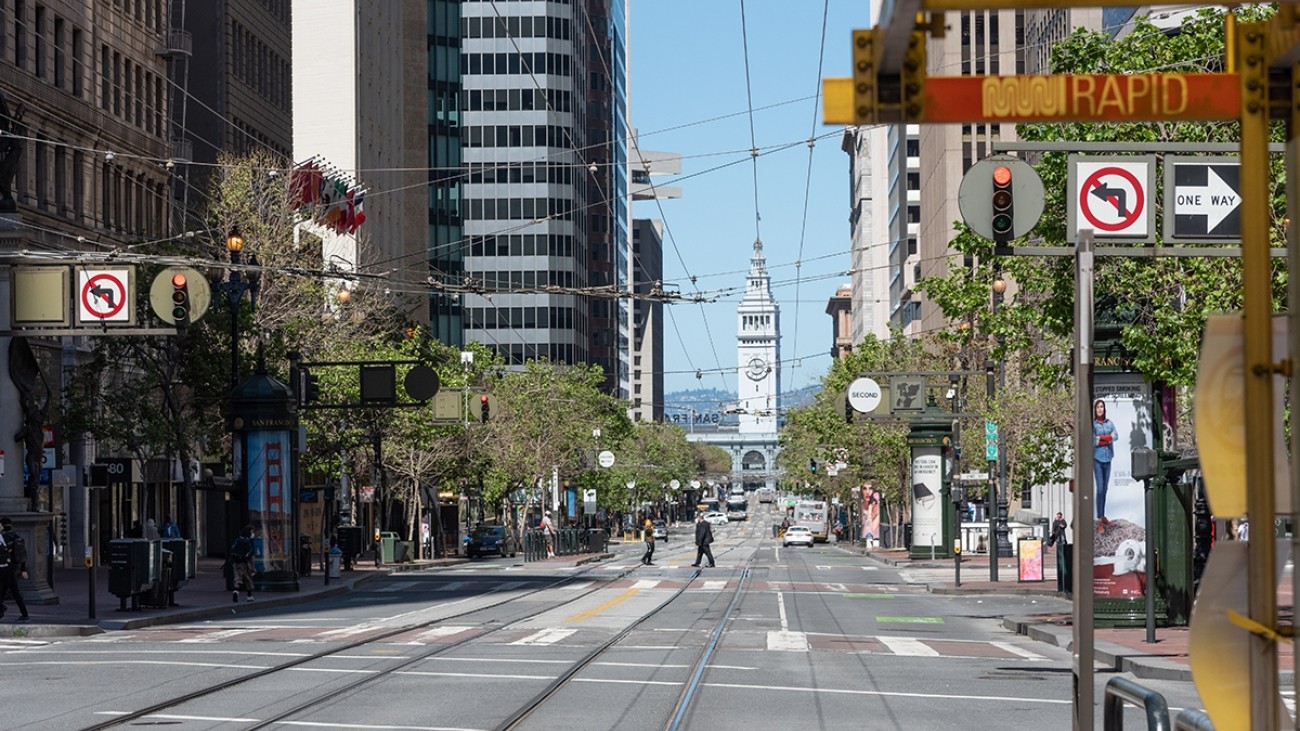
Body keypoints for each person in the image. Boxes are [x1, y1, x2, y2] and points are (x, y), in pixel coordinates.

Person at [0, 517, 28, 621]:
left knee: (8, 590)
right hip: (12, 568)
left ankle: (24, 614)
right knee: (12, 591)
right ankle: (24, 614)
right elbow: (22, 554)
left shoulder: (2, 537)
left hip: (3, 568)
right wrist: (23, 569)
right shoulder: (16, 537)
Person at [1093, 398, 1116, 524]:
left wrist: (1101, 438)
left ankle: (1103, 516)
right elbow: (1093, 441)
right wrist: (1107, 439)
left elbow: (1115, 436)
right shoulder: (1094, 424)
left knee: (1105, 488)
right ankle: (1099, 519)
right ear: (1095, 410)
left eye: (1102, 406)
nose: (1100, 409)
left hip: (1108, 458)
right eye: (1098, 407)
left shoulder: (1109, 423)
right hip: (1097, 459)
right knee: (1100, 489)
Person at [228, 525, 256, 603]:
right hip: (245, 563)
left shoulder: (238, 540)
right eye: (252, 532)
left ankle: (235, 592)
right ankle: (249, 595)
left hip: (236, 562)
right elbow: (251, 554)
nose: (253, 534)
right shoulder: (249, 541)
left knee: (237, 578)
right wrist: (253, 568)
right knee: (248, 579)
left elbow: (232, 550)